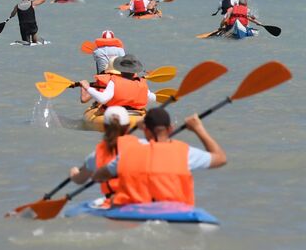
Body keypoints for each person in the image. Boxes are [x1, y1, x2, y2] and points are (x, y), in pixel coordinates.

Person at [90, 107, 226, 208]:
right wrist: (198, 128)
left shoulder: (129, 152)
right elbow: (220, 158)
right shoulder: (184, 152)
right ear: (170, 129)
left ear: (146, 130)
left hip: (136, 210)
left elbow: (98, 176)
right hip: (177, 211)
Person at [67, 106, 130, 205]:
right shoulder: (141, 146)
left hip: (115, 203)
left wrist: (73, 173)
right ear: (128, 127)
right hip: (142, 199)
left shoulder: (97, 155)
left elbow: (80, 179)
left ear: (104, 127)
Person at [80, 53, 155, 115]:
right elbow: (152, 98)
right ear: (135, 71)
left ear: (120, 70)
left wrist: (87, 88)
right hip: (136, 114)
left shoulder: (114, 82)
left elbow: (103, 99)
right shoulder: (141, 83)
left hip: (114, 114)